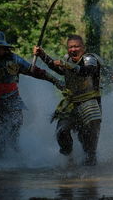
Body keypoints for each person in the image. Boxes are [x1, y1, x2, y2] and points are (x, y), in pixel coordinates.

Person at [33, 35, 102, 166]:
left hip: (90, 102)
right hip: (71, 103)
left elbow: (87, 71)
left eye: (76, 46)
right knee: (62, 131)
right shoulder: (67, 59)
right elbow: (58, 68)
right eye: (70, 47)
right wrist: (42, 55)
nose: (73, 49)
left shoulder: (90, 59)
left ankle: (91, 177)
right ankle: (69, 158)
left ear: (83, 48)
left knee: (89, 143)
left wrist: (67, 65)